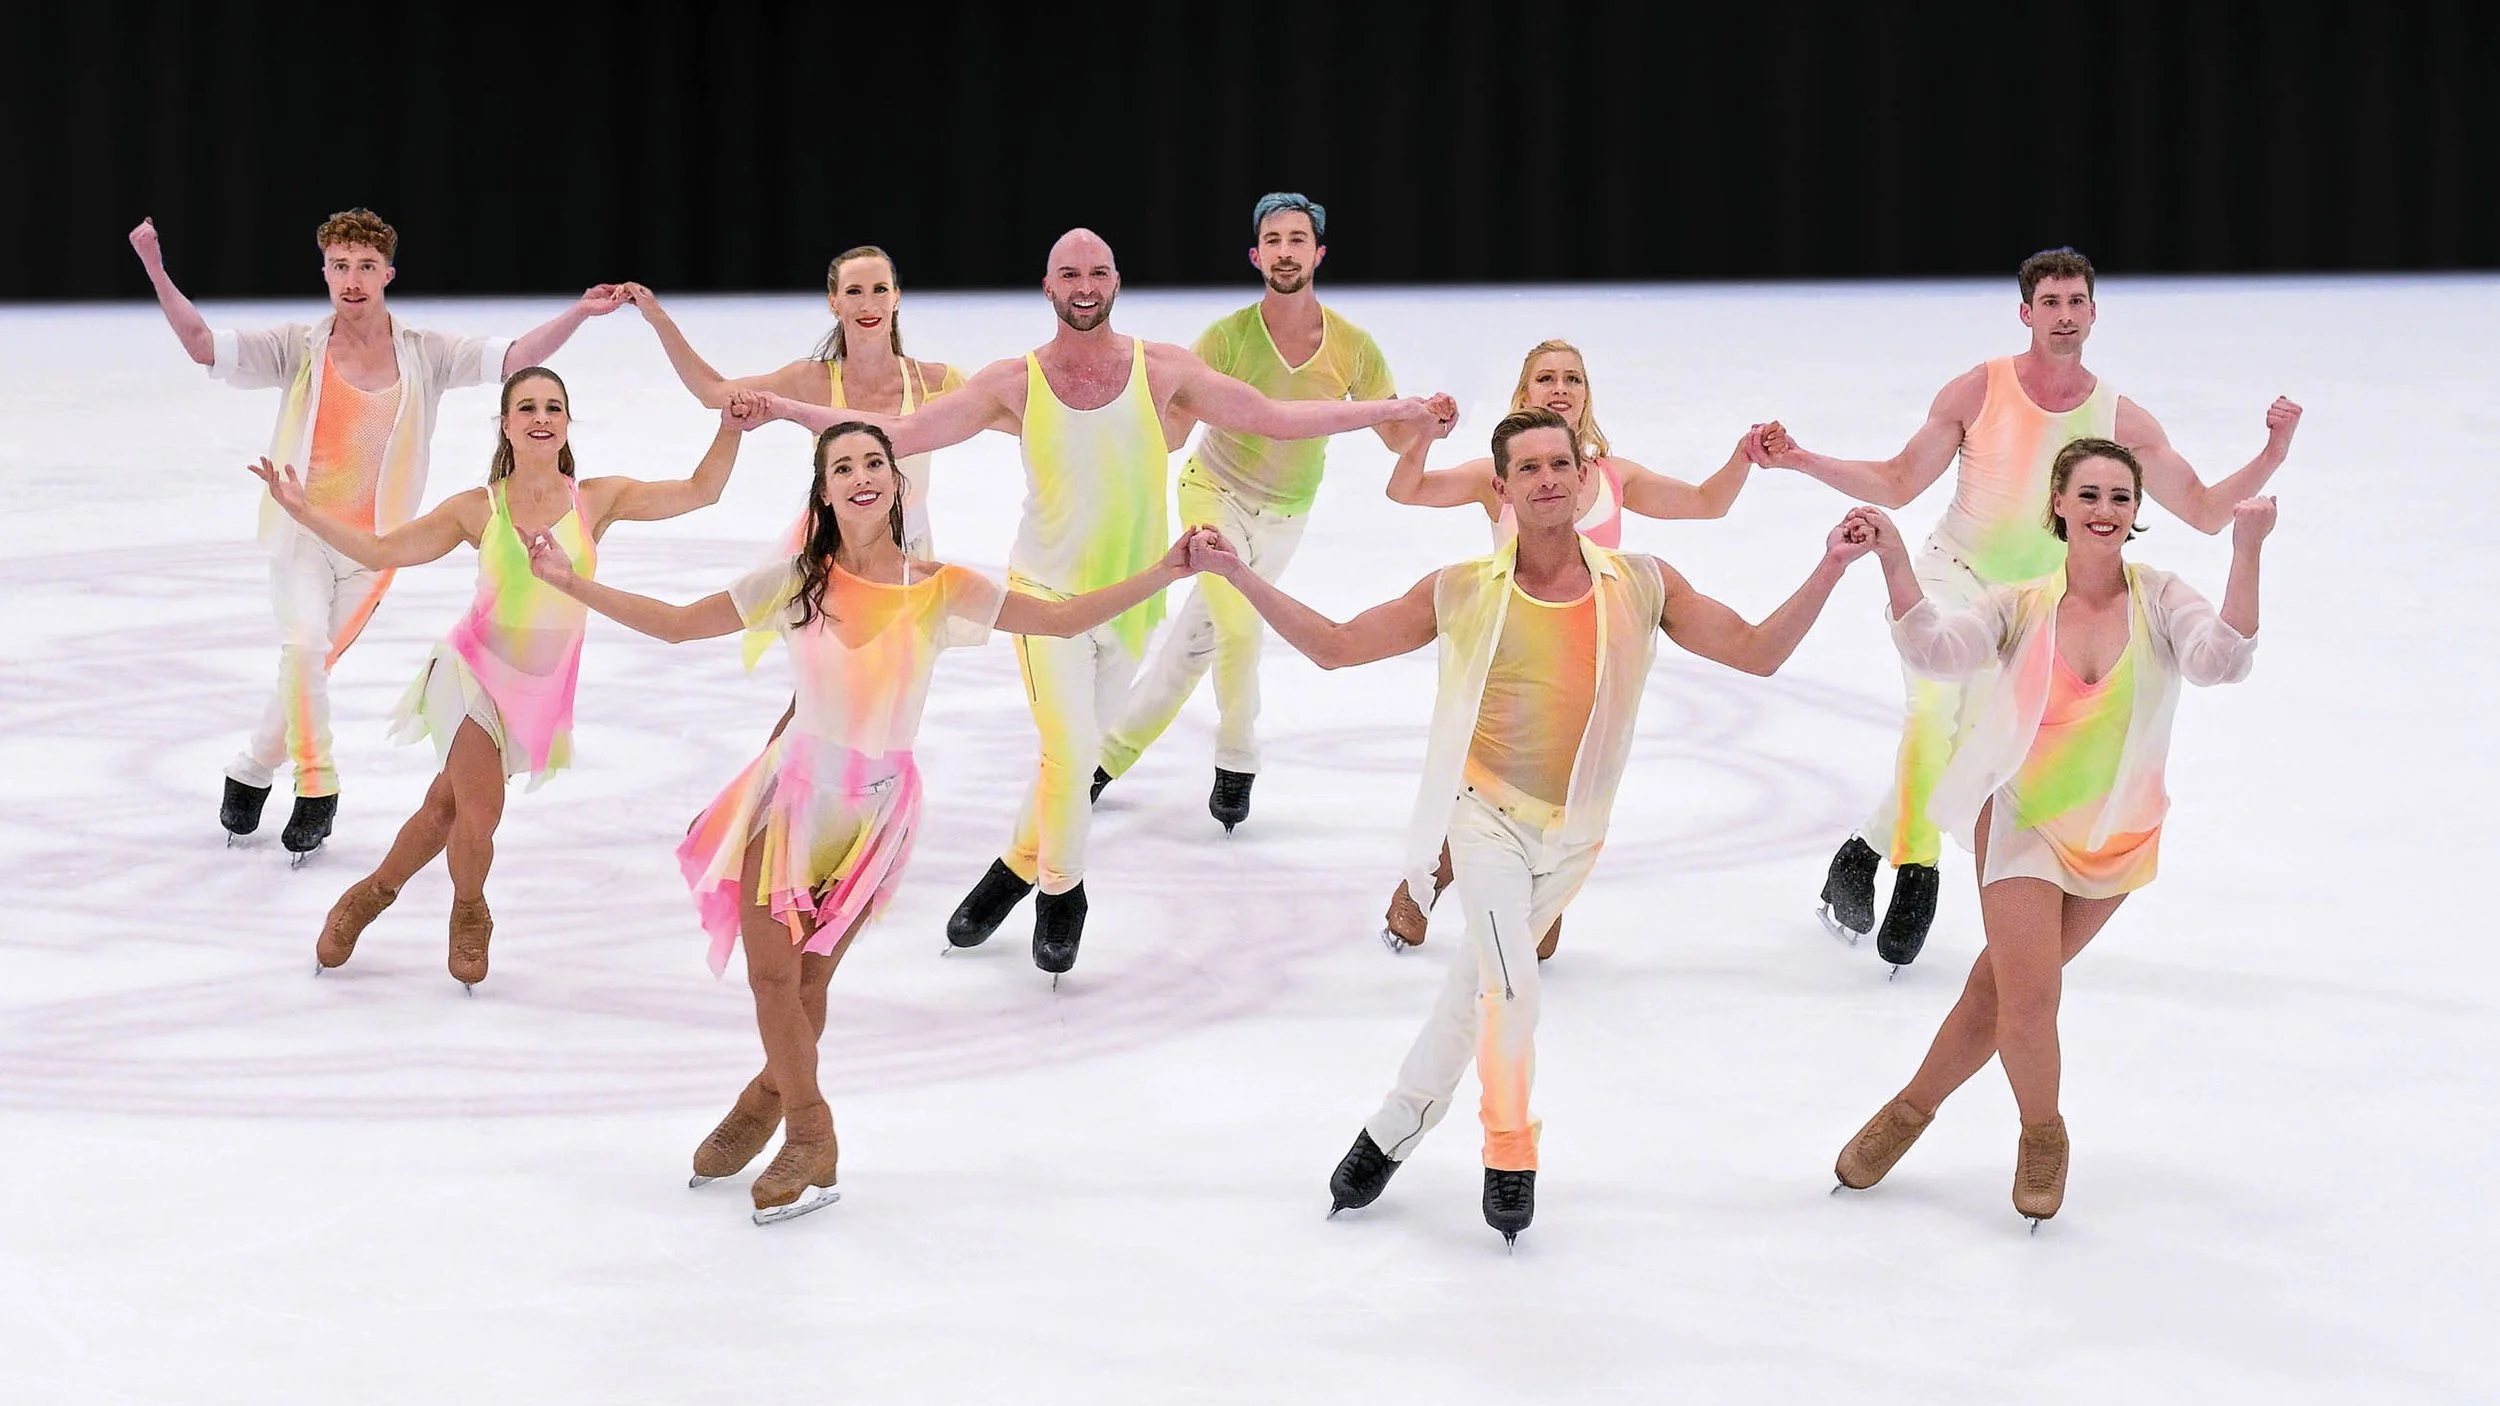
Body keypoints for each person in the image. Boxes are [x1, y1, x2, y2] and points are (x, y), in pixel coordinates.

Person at [1192, 406, 1877, 1246]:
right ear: (1505, 487)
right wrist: (1237, 576)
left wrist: (1832, 566)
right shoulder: (1459, 590)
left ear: (1588, 476)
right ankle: (1509, 1153)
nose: (1550, 479)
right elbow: (1336, 646)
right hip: (1483, 824)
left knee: (1474, 995)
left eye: (1563, 463)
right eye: (1530, 468)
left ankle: (1389, 1130)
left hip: (1577, 840)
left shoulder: (1646, 583)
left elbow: (1760, 650)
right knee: (1511, 991)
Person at [522, 420, 1211, 1222]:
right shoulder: (795, 580)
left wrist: (1165, 570)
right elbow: (680, 625)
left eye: (873, 463)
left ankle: (765, 1097)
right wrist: (570, 583)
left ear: (897, 482)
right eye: (841, 465)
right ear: (823, 489)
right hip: (790, 799)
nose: (859, 475)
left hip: (877, 815)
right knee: (772, 975)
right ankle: (813, 1133)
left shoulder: (941, 586)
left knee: (808, 983)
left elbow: (1058, 620)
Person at [745, 228, 1450, 977]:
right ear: (1048, 289)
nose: (1084, 285)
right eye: (1069, 273)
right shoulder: (1012, 380)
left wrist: (1388, 410)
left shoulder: (1164, 371)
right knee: (1072, 749)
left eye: (1098, 272)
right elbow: (901, 431)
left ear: (1116, 283)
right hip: (1043, 595)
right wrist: (792, 412)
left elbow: (1275, 417)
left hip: (1132, 597)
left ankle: (1014, 867)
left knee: (1069, 758)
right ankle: (1062, 891)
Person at [1760, 247, 2300, 969]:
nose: (2065, 316)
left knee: (1974, 751)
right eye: (2051, 303)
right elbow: (1895, 481)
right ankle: (1918, 872)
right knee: (1933, 709)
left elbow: (2203, 509)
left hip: (2030, 610)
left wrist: (2272, 451)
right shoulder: (1978, 390)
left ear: (2094, 313)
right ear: (2026, 313)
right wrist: (1802, 459)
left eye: (2077, 302)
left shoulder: (2117, 416)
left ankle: (1859, 853)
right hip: (1950, 580)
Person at [1829, 442, 2272, 1227]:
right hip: (2022, 819)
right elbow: (1935, 648)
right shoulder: (2020, 603)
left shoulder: (2162, 597)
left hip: (2117, 834)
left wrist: (2246, 552)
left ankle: (1911, 1105)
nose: (2106, 510)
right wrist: (1895, 559)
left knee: (1994, 988)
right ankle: (2043, 1132)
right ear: (2060, 506)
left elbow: (2222, 662)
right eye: (2091, 495)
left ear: (2136, 513)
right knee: (2031, 1000)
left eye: (2121, 498)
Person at [129, 210, 627, 857]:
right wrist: (154, 266)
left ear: (388, 272)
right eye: (340, 266)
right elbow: (201, 343)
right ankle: (318, 786)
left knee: (308, 667)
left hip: (374, 553)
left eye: (366, 266)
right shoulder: (297, 347)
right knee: (304, 649)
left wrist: (580, 313)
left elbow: (517, 358)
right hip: (303, 532)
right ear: (326, 272)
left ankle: (252, 767)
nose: (353, 280)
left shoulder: (426, 352)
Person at [250, 369, 760, 989]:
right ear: (507, 424)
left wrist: (730, 428)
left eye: (553, 407)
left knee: (444, 809)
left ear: (568, 423)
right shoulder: (477, 508)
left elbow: (701, 491)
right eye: (526, 408)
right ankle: (470, 909)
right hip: (471, 671)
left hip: (539, 691)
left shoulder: (596, 500)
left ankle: (372, 893)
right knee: (480, 812)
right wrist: (303, 512)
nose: (540, 417)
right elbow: (382, 553)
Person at [1379, 337, 1770, 954]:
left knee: (1565, 796)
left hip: (1592, 665)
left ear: (1587, 394)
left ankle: (1528, 888)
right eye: (1545, 379)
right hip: (1512, 653)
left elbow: (1705, 503)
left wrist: (1743, 458)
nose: (1560, 389)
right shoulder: (1498, 474)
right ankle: (1427, 878)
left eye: (1572, 379)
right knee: (1492, 788)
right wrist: (1425, 431)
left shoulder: (1616, 477)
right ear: (1524, 394)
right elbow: (1407, 489)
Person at [1091, 193, 1410, 832]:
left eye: (1297, 239)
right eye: (1274, 240)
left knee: (1193, 643)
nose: (1285, 251)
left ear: (1318, 252)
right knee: (1237, 628)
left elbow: (1397, 436)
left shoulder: (1354, 348)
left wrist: (1428, 423)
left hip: (1287, 516)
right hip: (1212, 494)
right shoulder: (1227, 339)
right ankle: (1238, 759)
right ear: (1255, 255)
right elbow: (1175, 428)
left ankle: (1102, 763)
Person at [624, 247, 961, 557]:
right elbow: (711, 392)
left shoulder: (935, 382)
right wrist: (658, 319)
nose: (868, 304)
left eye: (880, 290)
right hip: (832, 554)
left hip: (910, 551)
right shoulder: (809, 380)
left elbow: (1008, 414)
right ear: (834, 302)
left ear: (896, 298)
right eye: (854, 291)